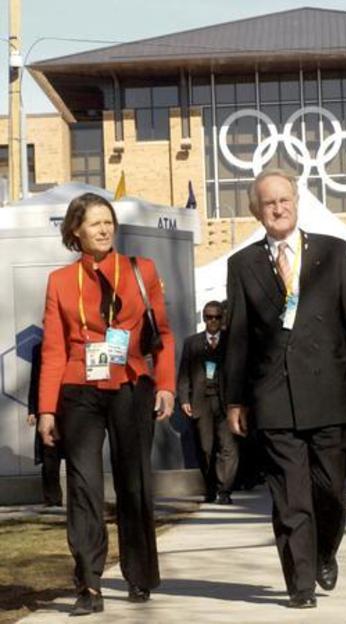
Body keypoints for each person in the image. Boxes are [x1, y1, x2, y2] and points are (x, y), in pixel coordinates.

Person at [225, 169, 346, 610]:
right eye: (268, 203)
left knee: (330, 493)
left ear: (297, 203)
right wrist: (235, 398)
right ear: (257, 211)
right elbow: (238, 334)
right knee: (291, 498)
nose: (278, 208)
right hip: (273, 398)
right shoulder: (244, 264)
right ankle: (301, 584)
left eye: (284, 200)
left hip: (328, 392)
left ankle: (325, 551)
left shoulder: (333, 252)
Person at [37, 192, 175, 616]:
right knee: (83, 487)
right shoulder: (60, 281)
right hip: (79, 390)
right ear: (75, 231)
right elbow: (53, 350)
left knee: (134, 483)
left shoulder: (140, 270)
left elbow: (163, 335)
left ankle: (139, 574)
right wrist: (46, 409)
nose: (103, 229)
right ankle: (89, 584)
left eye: (108, 222)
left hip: (132, 386)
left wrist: (166, 385)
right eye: (94, 223)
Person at [178, 301, 238, 504]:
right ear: (203, 318)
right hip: (201, 401)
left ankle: (225, 490)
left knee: (228, 447)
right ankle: (210, 487)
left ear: (222, 319)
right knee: (206, 448)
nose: (213, 321)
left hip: (225, 401)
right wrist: (184, 398)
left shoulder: (231, 342)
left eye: (217, 317)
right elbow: (184, 374)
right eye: (209, 317)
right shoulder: (192, 343)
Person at [28, 341, 63, 507]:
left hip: (73, 405)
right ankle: (52, 498)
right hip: (48, 408)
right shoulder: (39, 349)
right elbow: (35, 379)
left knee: (78, 455)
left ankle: (81, 497)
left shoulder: (75, 343)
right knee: (50, 455)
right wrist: (32, 410)